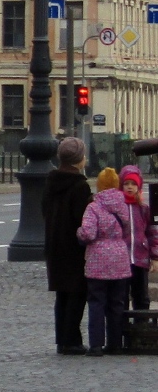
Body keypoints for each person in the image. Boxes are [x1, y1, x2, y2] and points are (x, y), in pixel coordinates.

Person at [43, 137, 92, 354]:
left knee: (62, 294)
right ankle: (72, 340)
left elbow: (44, 211)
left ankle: (61, 339)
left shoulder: (51, 181)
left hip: (54, 244)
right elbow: (83, 218)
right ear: (78, 159)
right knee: (77, 293)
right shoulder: (80, 186)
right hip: (74, 246)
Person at [77, 167, 131, 356]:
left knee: (96, 302)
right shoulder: (123, 204)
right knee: (117, 303)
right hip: (120, 258)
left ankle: (96, 345)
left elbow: (88, 233)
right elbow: (127, 231)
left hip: (98, 260)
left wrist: (79, 233)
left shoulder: (94, 206)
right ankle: (115, 344)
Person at [118, 165, 158, 311]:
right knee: (121, 297)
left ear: (139, 186)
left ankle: (142, 328)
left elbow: (152, 232)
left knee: (141, 297)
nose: (130, 187)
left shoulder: (143, 208)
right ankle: (122, 329)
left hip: (140, 259)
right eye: (126, 184)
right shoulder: (118, 207)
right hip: (121, 260)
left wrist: (155, 257)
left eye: (133, 184)